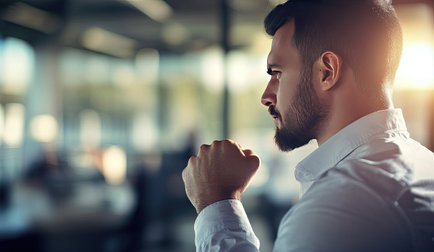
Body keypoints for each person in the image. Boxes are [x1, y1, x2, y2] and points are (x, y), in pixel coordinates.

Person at [181, 0, 434, 251]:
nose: (266, 96)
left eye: (277, 72)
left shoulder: (338, 210)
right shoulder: (424, 163)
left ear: (327, 72)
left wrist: (216, 205)